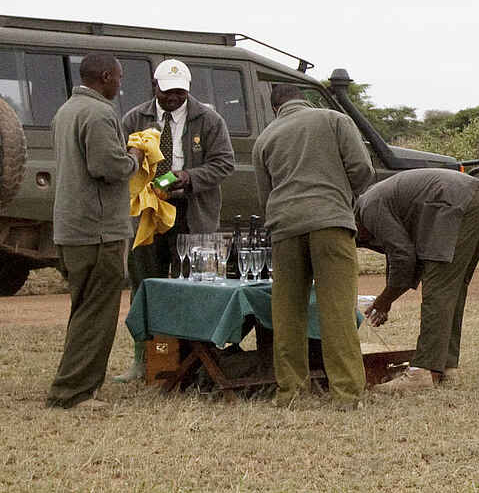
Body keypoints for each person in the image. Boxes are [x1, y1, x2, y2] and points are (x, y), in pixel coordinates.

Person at [113, 59, 234, 381]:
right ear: (155, 86)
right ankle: (145, 359)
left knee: (191, 290)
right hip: (147, 214)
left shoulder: (209, 119)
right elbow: (121, 163)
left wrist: (188, 176)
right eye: (168, 92)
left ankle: (192, 362)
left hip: (192, 214)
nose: (173, 99)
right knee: (145, 285)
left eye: (180, 93)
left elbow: (224, 163)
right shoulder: (133, 118)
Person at [255, 83, 375, 407]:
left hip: (284, 226)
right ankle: (347, 393)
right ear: (304, 101)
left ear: (274, 108)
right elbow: (362, 170)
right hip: (330, 223)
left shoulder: (265, 138)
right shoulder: (334, 119)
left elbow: (265, 194)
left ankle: (290, 392)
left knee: (287, 312)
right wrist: (340, 197)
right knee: (336, 310)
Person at [46, 55, 138, 410]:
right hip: (98, 231)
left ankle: (74, 383)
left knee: (83, 308)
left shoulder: (66, 110)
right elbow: (107, 166)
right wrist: (133, 155)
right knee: (96, 314)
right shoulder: (99, 114)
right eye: (118, 77)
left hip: (71, 227)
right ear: (105, 77)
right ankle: (73, 392)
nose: (120, 84)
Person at [355, 168, 479, 391]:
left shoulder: (368, 208)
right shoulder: (376, 200)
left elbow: (403, 257)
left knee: (438, 289)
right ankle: (445, 367)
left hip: (455, 203)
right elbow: (403, 254)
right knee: (453, 287)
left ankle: (422, 372)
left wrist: (384, 301)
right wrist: (388, 297)